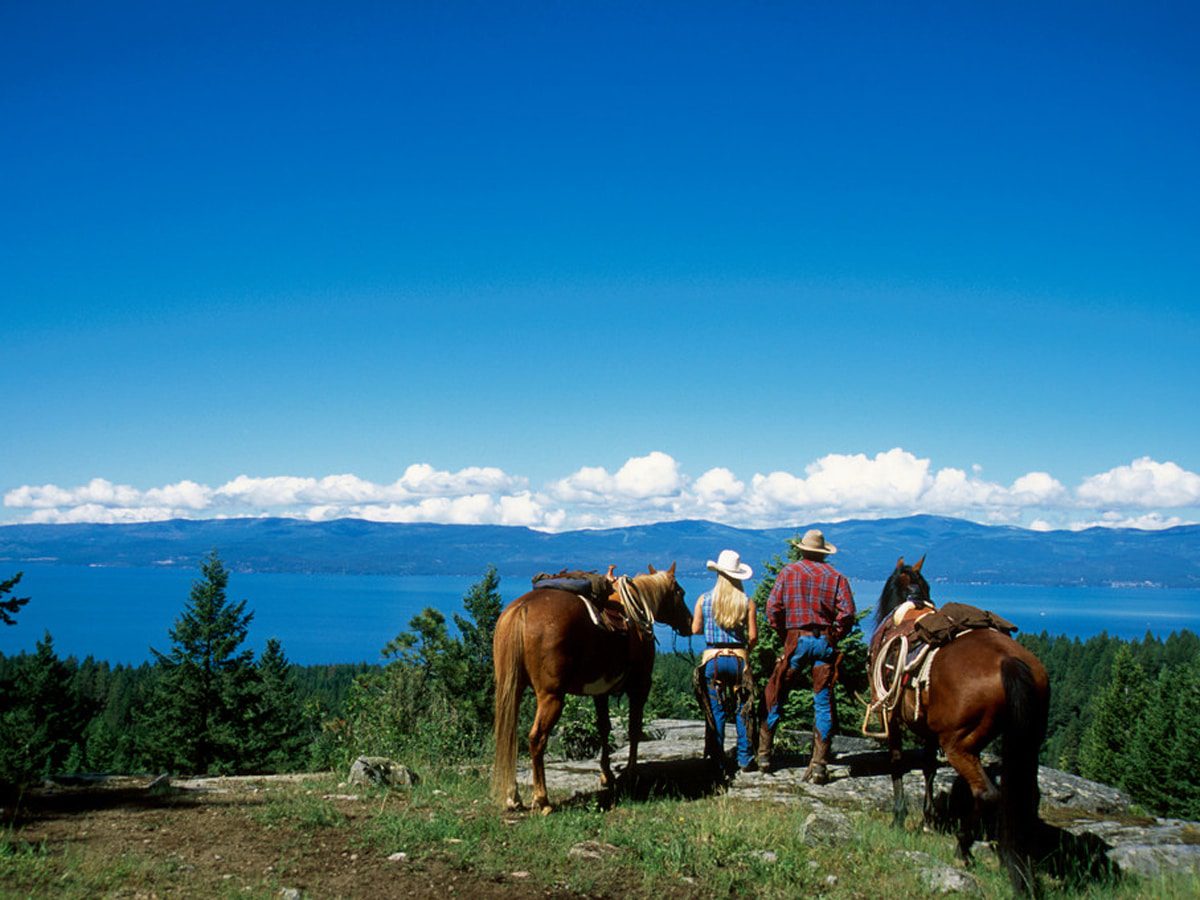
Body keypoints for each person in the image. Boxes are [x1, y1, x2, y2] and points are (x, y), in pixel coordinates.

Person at [759, 529, 856, 783]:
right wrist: (833, 635)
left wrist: (785, 636)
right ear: (823, 552)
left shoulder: (789, 572)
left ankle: (764, 755)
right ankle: (820, 763)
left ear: (802, 550)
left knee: (777, 690)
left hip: (796, 639)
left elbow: (772, 609)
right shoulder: (836, 577)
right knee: (822, 701)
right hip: (824, 641)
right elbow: (847, 614)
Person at [691, 549, 758, 776]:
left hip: (712, 661)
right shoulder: (748, 602)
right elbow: (753, 637)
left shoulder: (704, 599)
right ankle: (745, 758)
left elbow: (695, 629)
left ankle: (716, 760)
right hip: (739, 661)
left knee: (715, 711)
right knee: (743, 710)